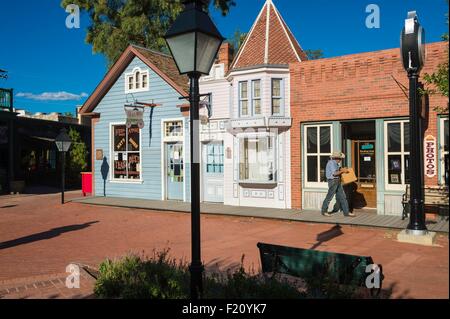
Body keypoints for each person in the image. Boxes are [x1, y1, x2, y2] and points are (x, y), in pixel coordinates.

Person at [321, 151, 356, 217]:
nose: (340, 160)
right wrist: (343, 171)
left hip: (337, 181)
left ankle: (346, 212)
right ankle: (324, 211)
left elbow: (338, 169)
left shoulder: (335, 163)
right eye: (340, 158)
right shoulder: (332, 163)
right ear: (336, 158)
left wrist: (342, 169)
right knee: (329, 197)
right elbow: (335, 173)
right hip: (333, 181)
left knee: (343, 197)